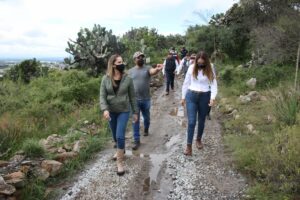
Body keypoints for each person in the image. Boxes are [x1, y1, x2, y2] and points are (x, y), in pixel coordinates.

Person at [100, 54, 138, 175]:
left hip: (123, 110)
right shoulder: (105, 79)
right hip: (111, 111)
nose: (122, 64)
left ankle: (120, 162)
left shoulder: (128, 78)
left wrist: (135, 112)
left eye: (122, 61)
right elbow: (102, 96)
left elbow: (132, 96)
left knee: (120, 136)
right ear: (113, 65)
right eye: (119, 62)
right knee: (115, 136)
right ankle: (120, 149)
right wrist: (105, 109)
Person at [181, 51, 218, 156]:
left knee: (201, 120)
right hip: (191, 96)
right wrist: (183, 97)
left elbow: (214, 84)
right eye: (199, 63)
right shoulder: (191, 67)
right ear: (196, 61)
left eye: (202, 63)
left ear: (206, 61)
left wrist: (212, 98)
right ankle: (188, 146)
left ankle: (198, 139)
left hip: (205, 96)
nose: (200, 65)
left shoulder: (210, 68)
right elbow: (186, 83)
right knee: (192, 122)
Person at [128, 51, 163, 150]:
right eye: (139, 57)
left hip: (146, 99)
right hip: (134, 100)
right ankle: (136, 140)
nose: (141, 59)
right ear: (134, 60)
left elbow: (153, 71)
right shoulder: (130, 71)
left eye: (142, 57)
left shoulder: (147, 68)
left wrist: (157, 69)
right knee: (135, 120)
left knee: (146, 118)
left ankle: (146, 128)